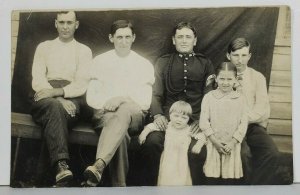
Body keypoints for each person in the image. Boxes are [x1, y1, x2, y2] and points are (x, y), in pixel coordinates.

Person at [140, 21, 215, 185]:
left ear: (195, 40)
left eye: (188, 37)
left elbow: (210, 97)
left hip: (194, 122)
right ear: (173, 40)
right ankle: (152, 187)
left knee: (199, 152)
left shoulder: (205, 63)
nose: (184, 40)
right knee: (152, 143)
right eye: (180, 37)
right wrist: (158, 114)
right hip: (167, 120)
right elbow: (156, 93)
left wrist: (201, 121)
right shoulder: (163, 62)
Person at [83, 20, 155, 187]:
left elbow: (144, 102)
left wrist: (121, 99)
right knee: (120, 134)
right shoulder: (100, 61)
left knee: (122, 112)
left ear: (133, 38)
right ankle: (115, 184)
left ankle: (100, 163)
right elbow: (91, 98)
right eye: (119, 37)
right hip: (103, 115)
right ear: (111, 38)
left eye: (127, 37)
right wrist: (109, 104)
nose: (124, 41)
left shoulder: (143, 64)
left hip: (135, 117)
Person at [30, 11, 92, 185]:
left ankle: (47, 178)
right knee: (55, 110)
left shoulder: (83, 50)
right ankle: (61, 166)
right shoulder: (44, 46)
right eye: (62, 22)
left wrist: (60, 95)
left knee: (54, 119)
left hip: (72, 96)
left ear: (76, 24)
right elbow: (38, 79)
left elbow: (81, 84)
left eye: (69, 22)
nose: (65, 27)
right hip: (43, 94)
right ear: (55, 23)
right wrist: (57, 98)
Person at [226, 37, 280, 184]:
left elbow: (261, 110)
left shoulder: (258, 78)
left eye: (244, 55)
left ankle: (255, 188)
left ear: (249, 56)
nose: (240, 60)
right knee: (243, 155)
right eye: (236, 55)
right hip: (230, 128)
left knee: (272, 153)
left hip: (252, 126)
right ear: (228, 56)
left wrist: (244, 119)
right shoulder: (221, 77)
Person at [200, 62, 248, 184]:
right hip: (213, 141)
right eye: (222, 78)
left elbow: (243, 123)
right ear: (216, 78)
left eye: (229, 79)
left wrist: (233, 142)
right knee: (212, 177)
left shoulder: (240, 99)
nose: (225, 82)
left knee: (230, 177)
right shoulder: (209, 97)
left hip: (232, 143)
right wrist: (215, 142)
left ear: (235, 79)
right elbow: (204, 121)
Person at [138, 101, 206, 186]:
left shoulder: (189, 129)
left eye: (183, 118)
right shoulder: (167, 126)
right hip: (168, 161)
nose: (179, 120)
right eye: (176, 116)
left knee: (181, 181)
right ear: (170, 115)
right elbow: (151, 126)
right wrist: (143, 134)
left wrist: (198, 145)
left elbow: (202, 136)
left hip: (181, 162)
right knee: (165, 179)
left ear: (188, 119)